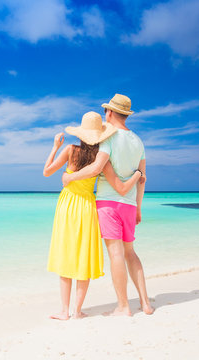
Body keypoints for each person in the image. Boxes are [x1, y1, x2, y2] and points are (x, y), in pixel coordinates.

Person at [43, 111, 145, 320]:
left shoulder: (70, 150)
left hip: (68, 205)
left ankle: (64, 311)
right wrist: (136, 179)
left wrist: (55, 147)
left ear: (80, 133)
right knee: (83, 257)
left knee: (66, 255)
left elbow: (47, 171)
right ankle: (78, 310)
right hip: (89, 207)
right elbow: (118, 184)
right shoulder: (101, 158)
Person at [62, 94, 154, 316]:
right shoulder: (138, 141)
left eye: (106, 112)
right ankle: (145, 303)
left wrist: (70, 178)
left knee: (115, 254)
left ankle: (123, 306)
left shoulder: (108, 139)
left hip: (109, 203)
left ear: (110, 113)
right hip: (130, 204)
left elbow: (95, 168)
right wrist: (138, 207)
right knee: (130, 253)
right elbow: (142, 178)